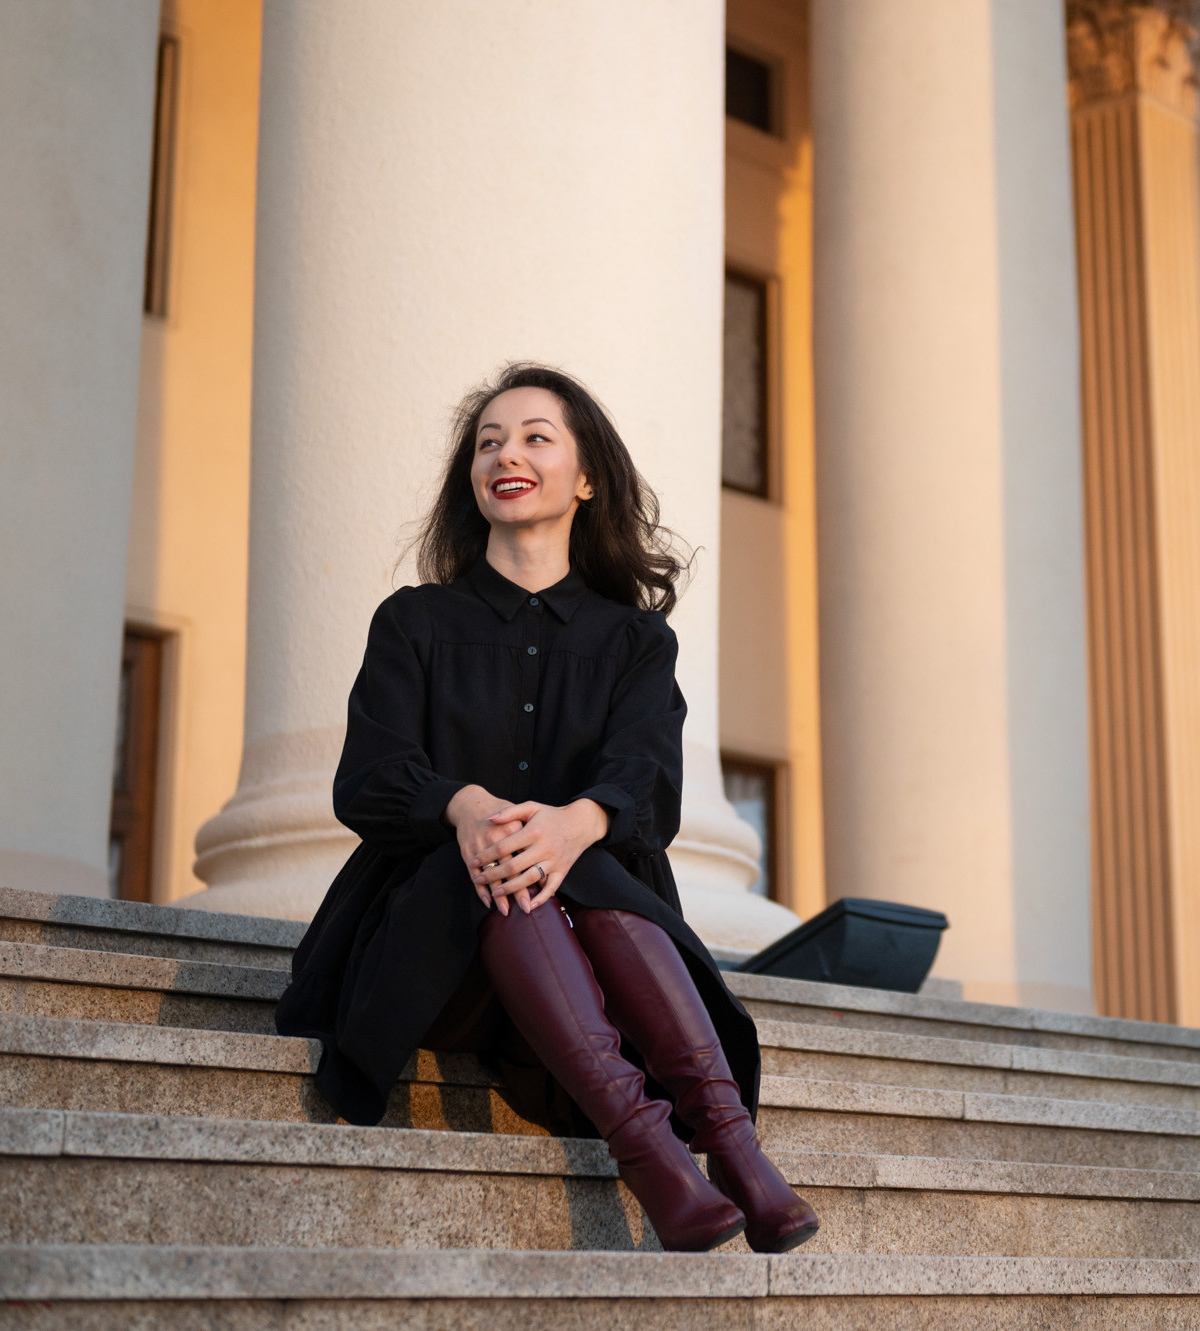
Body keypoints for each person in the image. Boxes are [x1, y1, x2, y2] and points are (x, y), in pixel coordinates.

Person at [274, 363, 819, 1255]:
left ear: (587, 477)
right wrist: (465, 806)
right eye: (488, 443)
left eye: (535, 437)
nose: (506, 456)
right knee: (505, 862)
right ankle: (661, 1154)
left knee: (577, 863)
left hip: (595, 970)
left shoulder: (636, 641)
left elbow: (646, 778)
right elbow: (369, 775)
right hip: (433, 959)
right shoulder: (413, 623)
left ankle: (729, 1147)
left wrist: (576, 823)